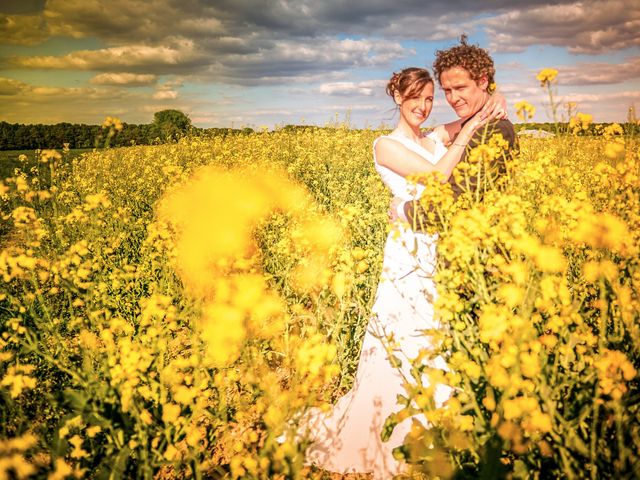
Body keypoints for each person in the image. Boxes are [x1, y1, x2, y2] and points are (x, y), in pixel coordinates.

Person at [297, 57, 508, 478]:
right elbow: (434, 176)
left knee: (436, 328)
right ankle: (395, 423)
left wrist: (493, 98)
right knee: (404, 328)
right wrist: (465, 133)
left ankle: (437, 417)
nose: (425, 106)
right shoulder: (385, 145)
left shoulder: (431, 136)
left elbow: (485, 104)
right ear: (398, 96)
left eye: (431, 99)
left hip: (439, 243)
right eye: (417, 97)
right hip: (409, 249)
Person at [393, 36, 518, 227]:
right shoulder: (472, 125)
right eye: (447, 91)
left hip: (478, 250)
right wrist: (495, 96)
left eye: (460, 88)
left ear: (483, 81)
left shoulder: (495, 130)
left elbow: (462, 201)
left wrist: (403, 209)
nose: (453, 98)